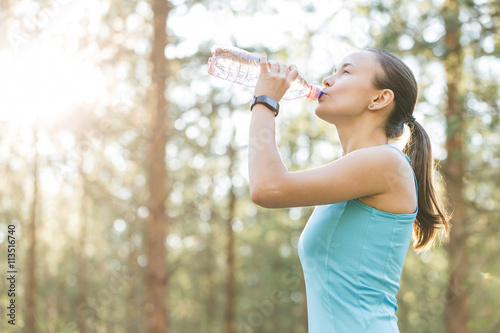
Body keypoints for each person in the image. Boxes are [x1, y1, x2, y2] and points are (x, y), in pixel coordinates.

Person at [248, 48, 450, 332]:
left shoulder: (385, 162)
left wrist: (265, 101)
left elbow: (267, 188)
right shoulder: (354, 175)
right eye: (333, 71)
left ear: (379, 99)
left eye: (346, 71)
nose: (327, 80)